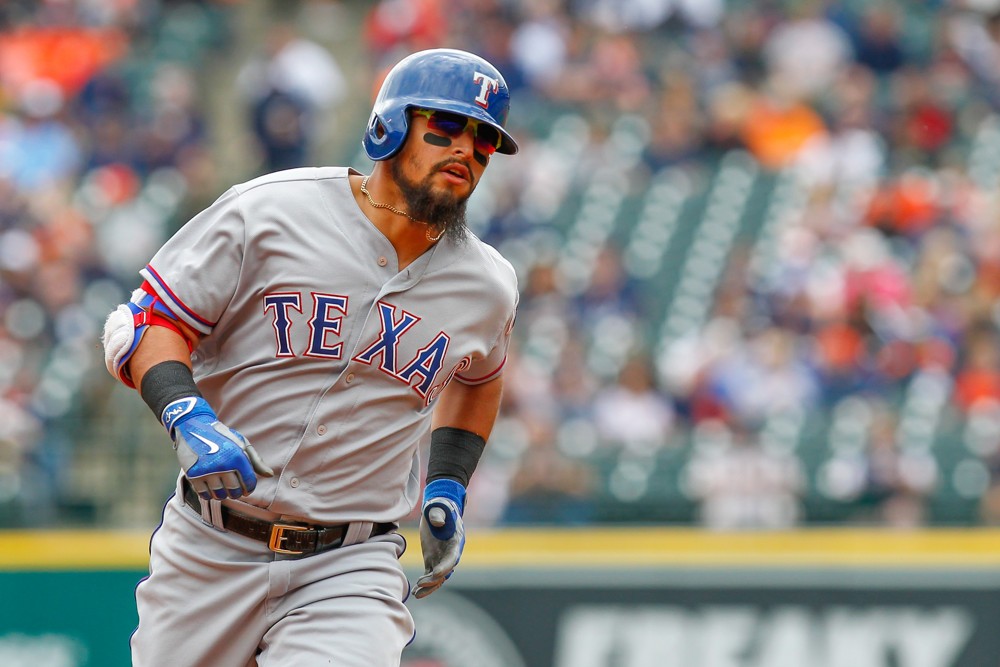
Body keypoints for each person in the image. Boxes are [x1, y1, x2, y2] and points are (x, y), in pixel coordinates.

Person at [101, 48, 519, 666]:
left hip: (349, 564)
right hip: (210, 547)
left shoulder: (486, 285)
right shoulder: (271, 211)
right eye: (447, 127)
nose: (466, 149)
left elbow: (480, 380)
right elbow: (146, 322)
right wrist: (187, 415)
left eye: (485, 140)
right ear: (391, 126)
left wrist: (449, 484)